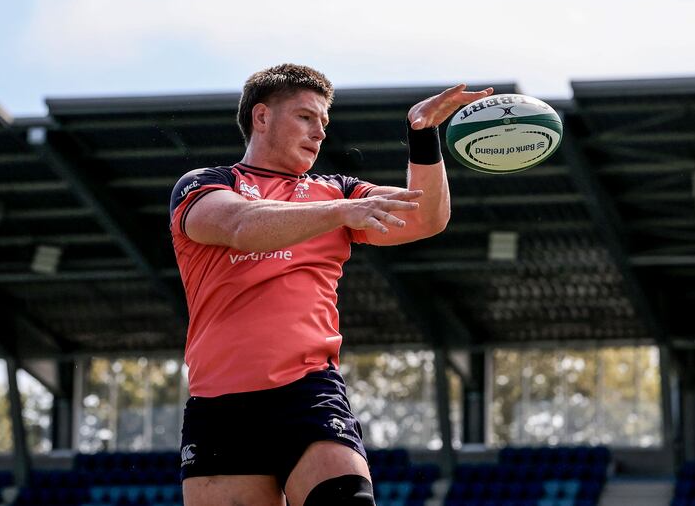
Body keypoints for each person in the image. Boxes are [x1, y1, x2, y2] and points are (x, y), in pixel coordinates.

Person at [169, 63, 492, 506]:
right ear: (261, 117)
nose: (319, 132)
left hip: (308, 391)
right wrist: (340, 213)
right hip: (220, 402)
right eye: (305, 117)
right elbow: (240, 224)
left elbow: (425, 218)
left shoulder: (335, 190)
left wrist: (423, 134)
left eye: (324, 122)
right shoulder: (208, 184)